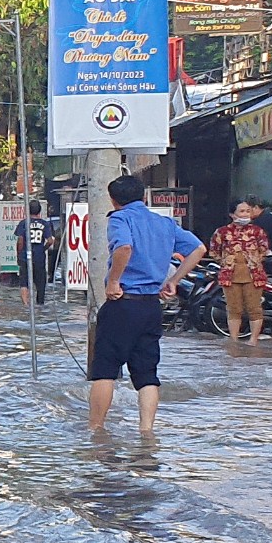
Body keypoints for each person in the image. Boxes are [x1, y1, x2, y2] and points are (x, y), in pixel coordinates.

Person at [89, 173, 207, 436]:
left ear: (113, 200)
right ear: (143, 196)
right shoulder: (163, 223)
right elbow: (198, 249)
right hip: (151, 307)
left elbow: (124, 248)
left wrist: (113, 283)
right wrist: (174, 280)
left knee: (105, 370)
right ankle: (146, 432)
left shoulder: (120, 218)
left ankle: (96, 429)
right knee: (147, 373)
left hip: (123, 304)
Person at [210, 197, 272, 343]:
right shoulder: (222, 232)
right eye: (241, 211)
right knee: (234, 308)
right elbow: (214, 251)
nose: (245, 214)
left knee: (254, 308)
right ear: (233, 214)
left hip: (253, 275)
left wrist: (253, 261)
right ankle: (233, 339)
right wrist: (227, 262)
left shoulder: (258, 231)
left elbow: (264, 250)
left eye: (247, 211)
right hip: (229, 275)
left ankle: (253, 339)